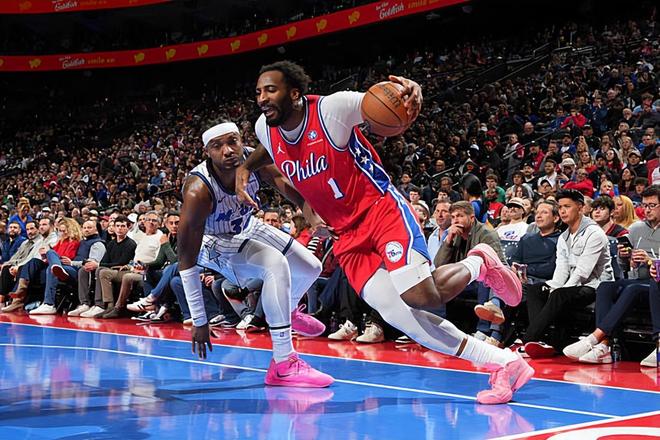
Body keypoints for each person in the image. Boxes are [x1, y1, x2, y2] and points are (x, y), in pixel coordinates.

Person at [237, 60, 531, 404]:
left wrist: (409, 92)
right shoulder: (264, 127)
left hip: (380, 210)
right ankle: (505, 363)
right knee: (400, 315)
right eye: (258, 91)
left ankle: (479, 261)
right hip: (345, 236)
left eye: (271, 90)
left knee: (421, 296)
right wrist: (247, 167)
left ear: (295, 94)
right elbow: (269, 148)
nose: (262, 97)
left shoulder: (331, 110)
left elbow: (379, 100)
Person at [179, 121, 332, 388]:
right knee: (275, 264)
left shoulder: (253, 160)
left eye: (232, 141)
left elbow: (288, 187)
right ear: (207, 152)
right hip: (213, 240)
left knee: (310, 267)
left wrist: (313, 217)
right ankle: (283, 363)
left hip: (247, 225)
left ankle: (288, 310)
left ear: (241, 140)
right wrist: (199, 319)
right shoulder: (198, 190)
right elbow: (186, 259)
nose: (228, 150)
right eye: (217, 146)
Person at [563, 185, 660, 365]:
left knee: (633, 289)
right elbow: (625, 267)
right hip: (638, 278)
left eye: (652, 205)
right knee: (606, 286)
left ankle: (596, 339)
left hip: (655, 282)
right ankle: (604, 348)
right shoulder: (636, 228)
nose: (647, 210)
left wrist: (650, 260)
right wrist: (625, 257)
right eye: (644, 205)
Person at [521, 189, 613, 358]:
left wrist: (559, 290)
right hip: (572, 286)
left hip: (595, 286)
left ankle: (528, 340)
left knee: (559, 295)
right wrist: (552, 286)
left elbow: (583, 272)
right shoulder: (564, 237)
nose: (562, 211)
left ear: (580, 208)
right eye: (560, 207)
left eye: (567, 207)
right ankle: (540, 342)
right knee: (536, 290)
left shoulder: (595, 233)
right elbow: (561, 269)